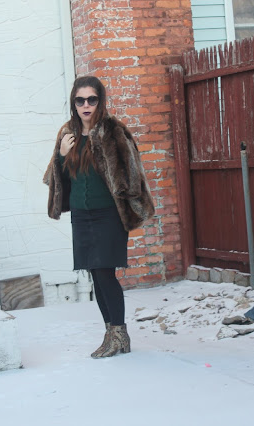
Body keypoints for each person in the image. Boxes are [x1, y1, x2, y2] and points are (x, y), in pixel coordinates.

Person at [43, 76, 155, 358]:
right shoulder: (67, 133)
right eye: (80, 100)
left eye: (91, 99)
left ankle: (120, 333)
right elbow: (56, 180)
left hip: (108, 215)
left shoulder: (113, 131)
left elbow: (132, 171)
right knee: (95, 275)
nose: (86, 105)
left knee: (105, 273)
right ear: (74, 103)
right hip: (82, 216)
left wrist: (126, 193)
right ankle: (111, 333)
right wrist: (61, 155)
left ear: (100, 101)